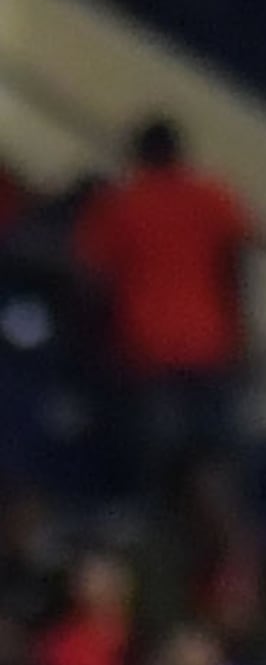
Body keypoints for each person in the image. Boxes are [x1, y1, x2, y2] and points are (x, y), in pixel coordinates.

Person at [67, 132, 249, 478]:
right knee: (216, 450)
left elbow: (92, 278)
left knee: (154, 454)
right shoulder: (214, 196)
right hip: (209, 340)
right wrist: (240, 330)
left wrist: (95, 347)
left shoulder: (121, 204)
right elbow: (235, 265)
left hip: (145, 345)